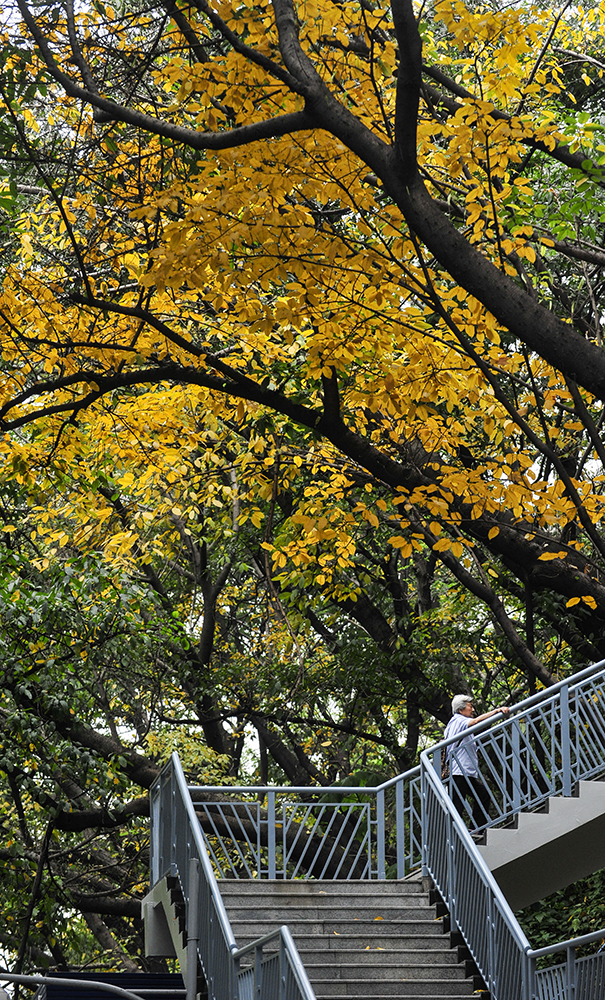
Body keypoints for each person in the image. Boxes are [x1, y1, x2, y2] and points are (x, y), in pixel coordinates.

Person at [444, 694, 510, 835]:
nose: (472, 709)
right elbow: (475, 722)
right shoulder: (459, 720)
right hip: (458, 771)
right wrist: (496, 711)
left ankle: (474, 828)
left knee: (481, 796)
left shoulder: (454, 723)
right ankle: (456, 834)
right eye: (469, 706)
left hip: (463, 772)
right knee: (458, 804)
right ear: (461, 709)